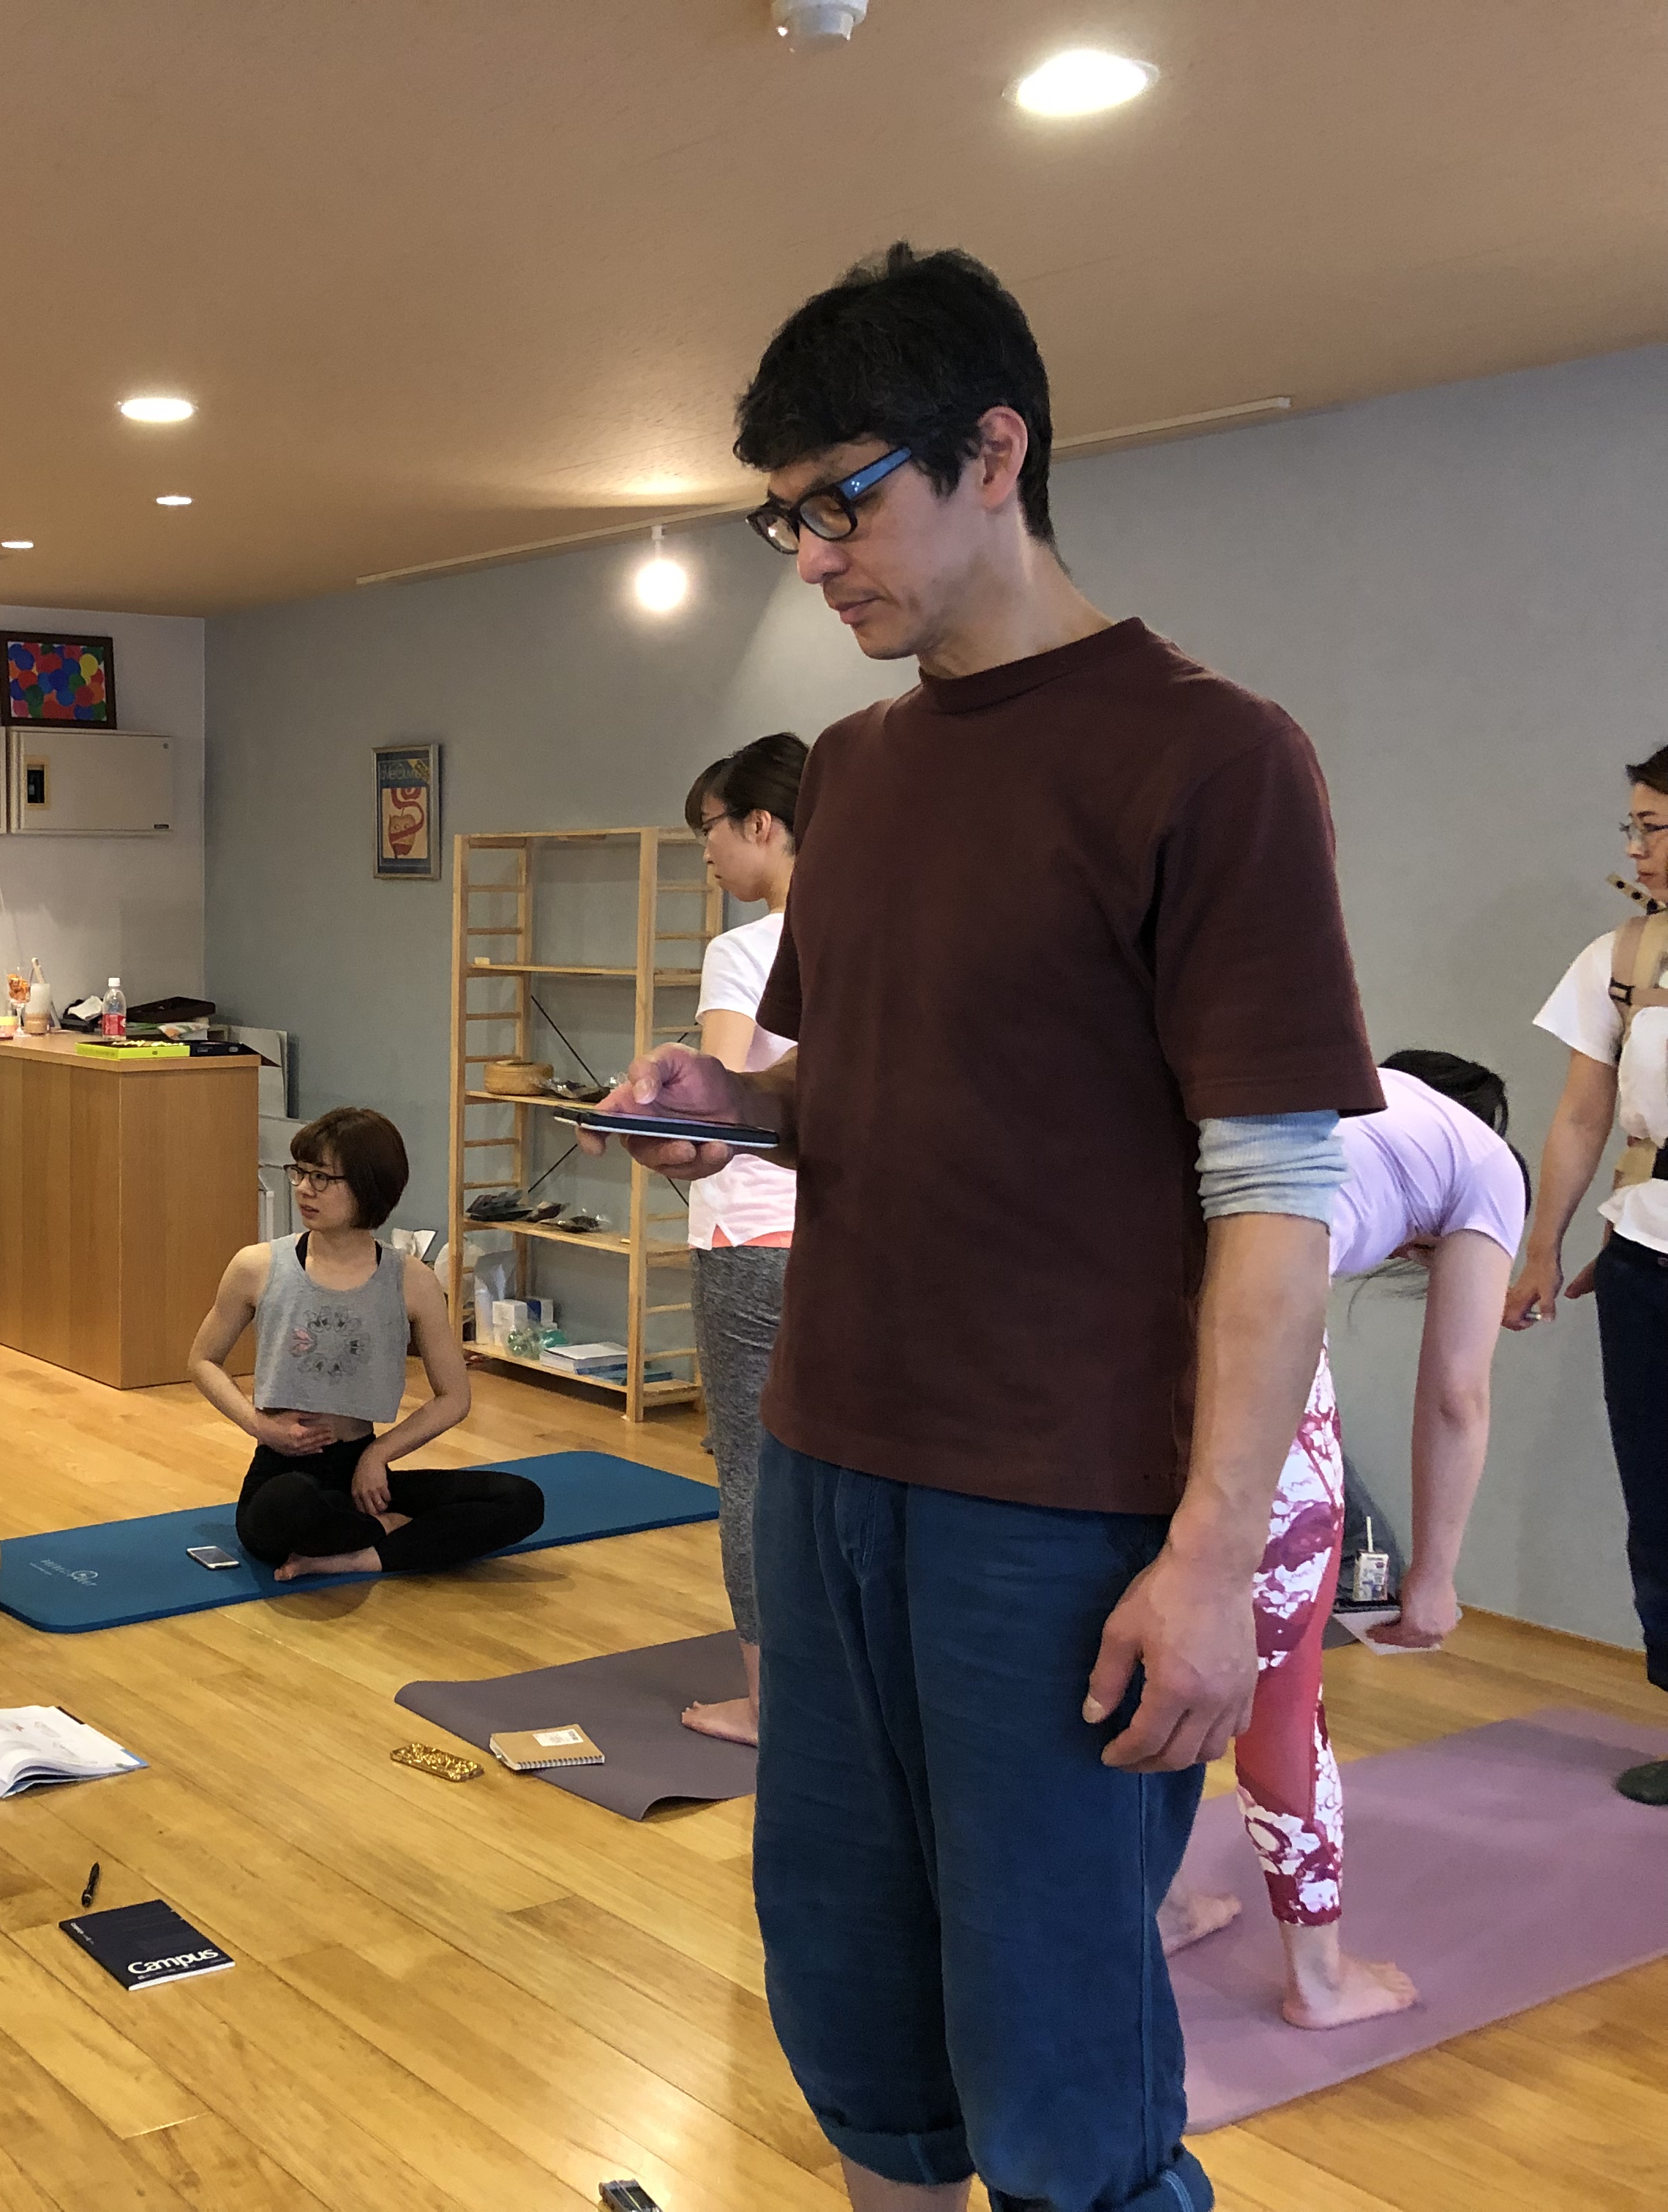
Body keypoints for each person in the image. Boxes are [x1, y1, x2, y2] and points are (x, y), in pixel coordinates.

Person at [589, 245, 1380, 2212]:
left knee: (1053, 2048)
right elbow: (854, 1086)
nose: (812, 559)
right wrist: (730, 1109)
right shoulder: (857, 775)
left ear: (997, 450)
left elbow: (1277, 1192)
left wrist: (1214, 1556)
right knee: (851, 1989)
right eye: (786, 518)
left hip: (1061, 1507)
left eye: (841, 503)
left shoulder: (1213, 755)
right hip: (832, 1462)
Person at [1158, 1053, 1525, 2026]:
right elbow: (1457, 1396)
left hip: (1111, 1330)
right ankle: (1318, 1979)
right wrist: (1434, 1577)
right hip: (1243, 1330)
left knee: (1149, 1638)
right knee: (1280, 1688)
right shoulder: (1490, 1164)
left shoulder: (1355, 1103)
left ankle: (1161, 1901)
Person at [1503, 755, 1668, 1807]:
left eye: (1653, 826)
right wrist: (1543, 1246)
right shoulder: (1624, 959)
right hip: (1647, 1256)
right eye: (1632, 828)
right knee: (1659, 1493)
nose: (1635, 848)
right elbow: (1580, 1114)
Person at [187, 1106, 542, 1579]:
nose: (304, 1188)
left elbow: (454, 1397)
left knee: (520, 1499)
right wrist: (260, 1427)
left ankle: (360, 1554)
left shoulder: (412, 1281)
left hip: (361, 1470)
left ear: (369, 1186)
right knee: (291, 1506)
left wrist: (378, 1455)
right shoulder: (257, 1266)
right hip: (282, 1471)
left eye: (322, 1177)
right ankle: (387, 1535)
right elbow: (203, 1360)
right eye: (300, 1173)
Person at [679, 733, 805, 1746]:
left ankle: (771, 1704)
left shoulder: (746, 948)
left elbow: (720, 1095)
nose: (709, 853)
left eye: (713, 830)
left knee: (752, 1472)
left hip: (752, 1232)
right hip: (848, 1234)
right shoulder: (885, 933)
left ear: (762, 823)